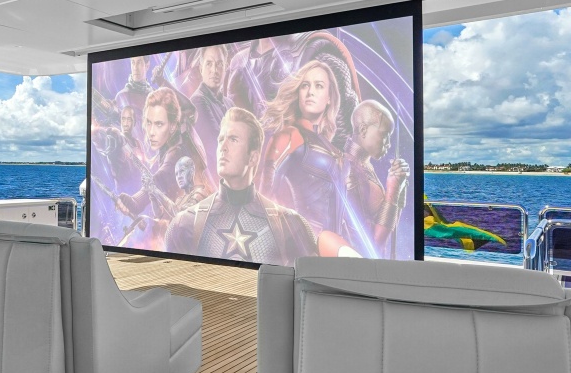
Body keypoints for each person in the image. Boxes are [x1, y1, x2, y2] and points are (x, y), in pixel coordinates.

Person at [165, 107, 318, 265]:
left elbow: (311, 279)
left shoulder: (291, 225)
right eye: (221, 139)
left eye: (233, 139)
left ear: (253, 157)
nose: (223, 147)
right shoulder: (184, 225)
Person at [260, 57, 357, 245]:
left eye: (319, 86)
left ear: (329, 98)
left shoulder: (332, 148)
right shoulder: (289, 136)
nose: (310, 92)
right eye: (305, 86)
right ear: (298, 93)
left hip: (331, 247)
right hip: (301, 243)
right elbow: (265, 197)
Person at [349, 98, 410, 255]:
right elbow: (371, 244)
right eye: (384, 134)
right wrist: (393, 190)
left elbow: (390, 228)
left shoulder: (364, 166)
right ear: (363, 130)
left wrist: (399, 188)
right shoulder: (349, 172)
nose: (388, 143)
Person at [188, 45, 229, 174]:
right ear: (201, 69)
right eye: (209, 64)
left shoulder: (229, 103)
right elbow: (216, 146)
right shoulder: (198, 101)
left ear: (226, 67)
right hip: (215, 178)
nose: (214, 70)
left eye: (219, 64)